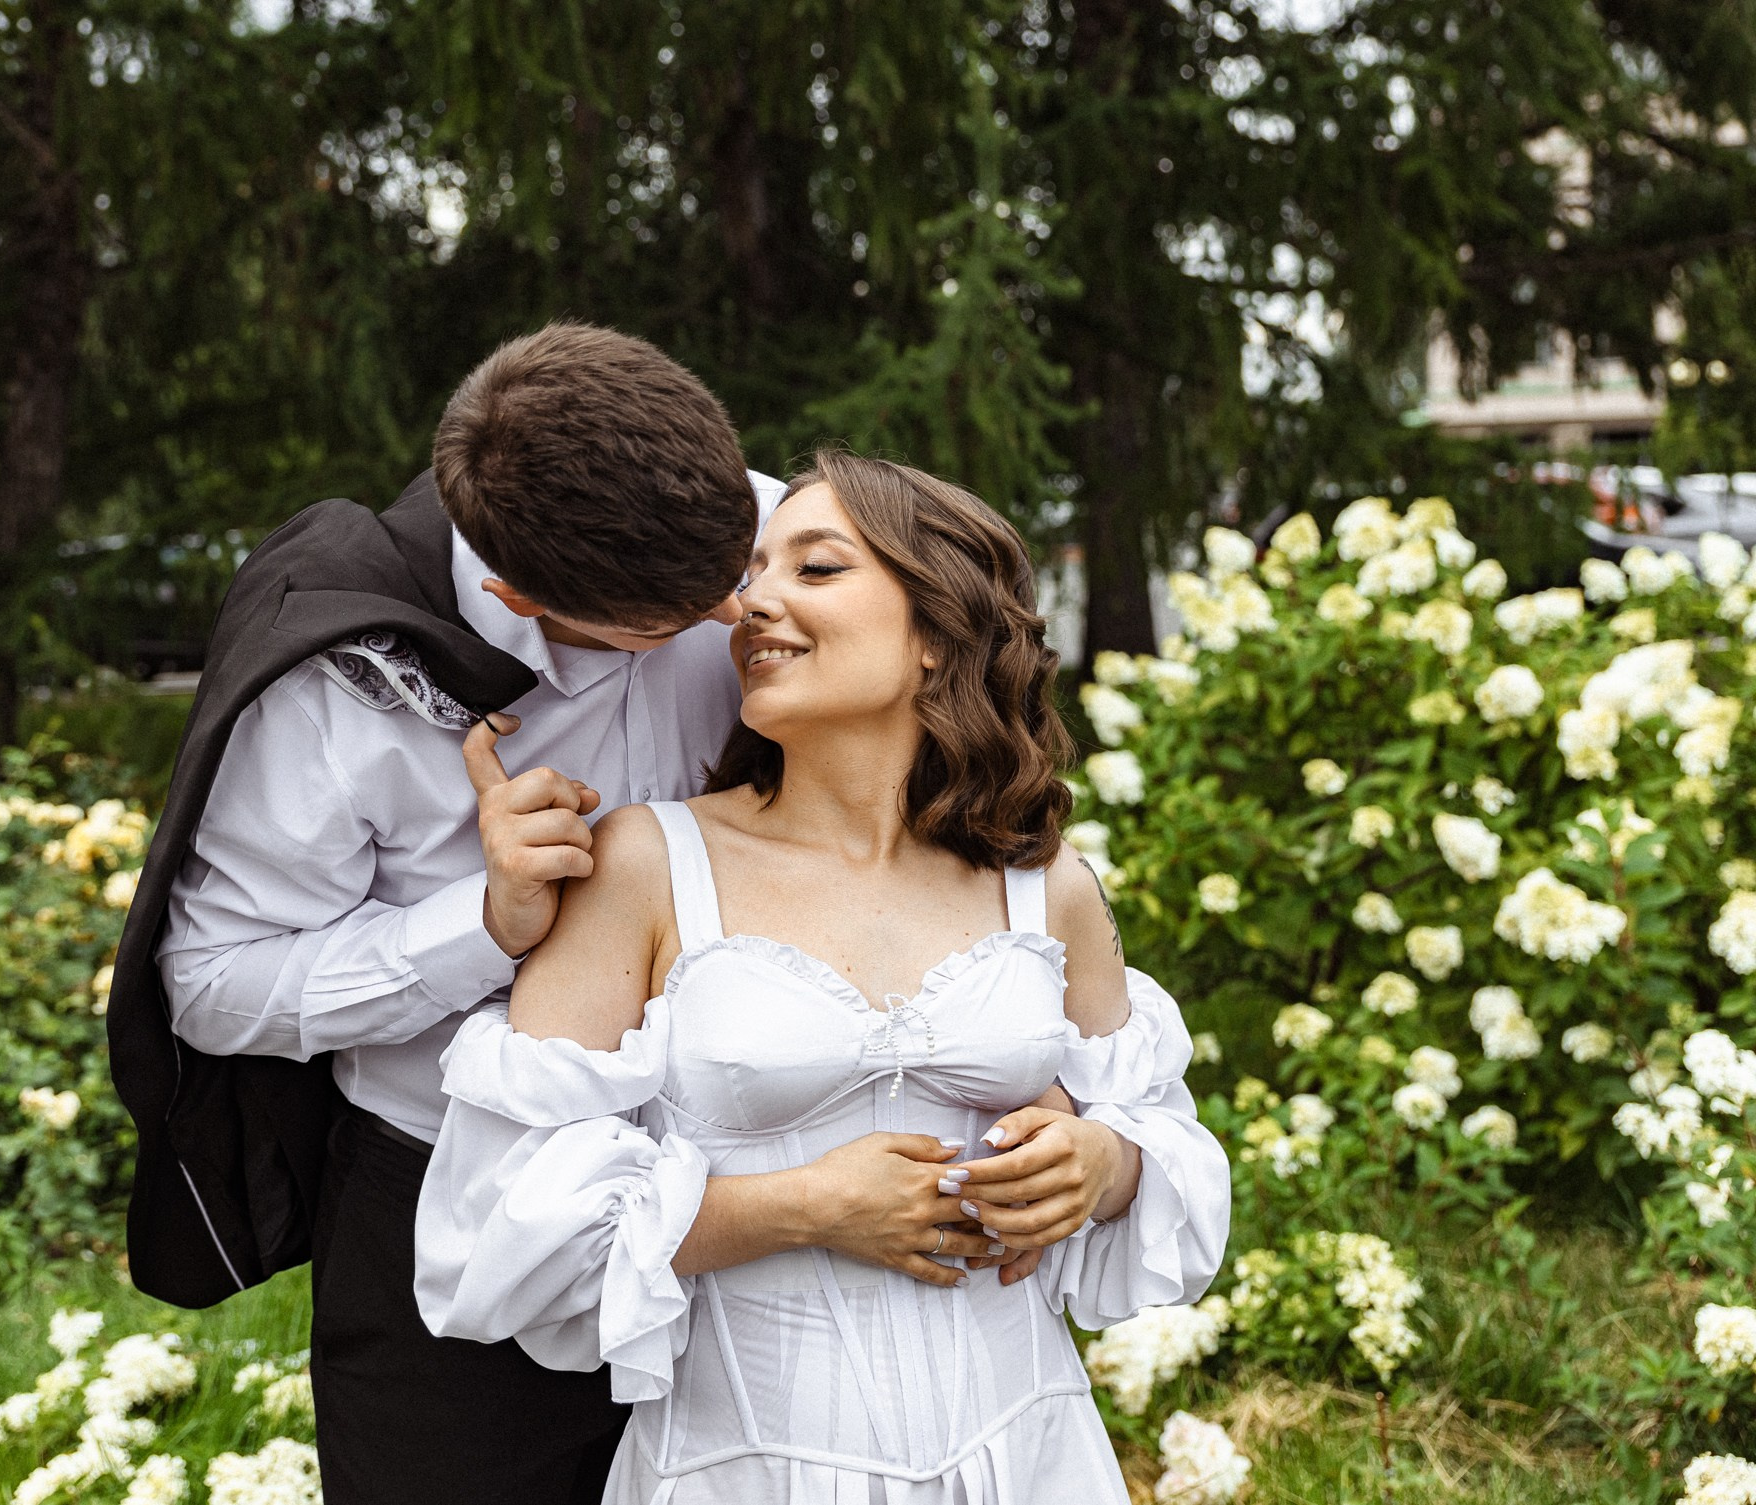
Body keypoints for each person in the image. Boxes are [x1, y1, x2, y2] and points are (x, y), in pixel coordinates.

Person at [139, 327, 1113, 1505]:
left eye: (757, 566)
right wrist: (481, 924)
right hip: (475, 1190)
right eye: (695, 611)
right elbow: (211, 981)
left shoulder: (756, 537)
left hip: (777, 1220)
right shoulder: (338, 686)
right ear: (519, 597)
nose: (743, 613)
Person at [415, 451, 1231, 1503]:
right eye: (755, 571)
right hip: (741, 1469)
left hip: (1027, 1455)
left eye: (815, 568)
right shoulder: (643, 863)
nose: (752, 601)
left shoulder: (1043, 883)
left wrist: (1099, 1164)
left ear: (935, 634)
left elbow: (1161, 1139)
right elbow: (502, 1221)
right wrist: (805, 1204)